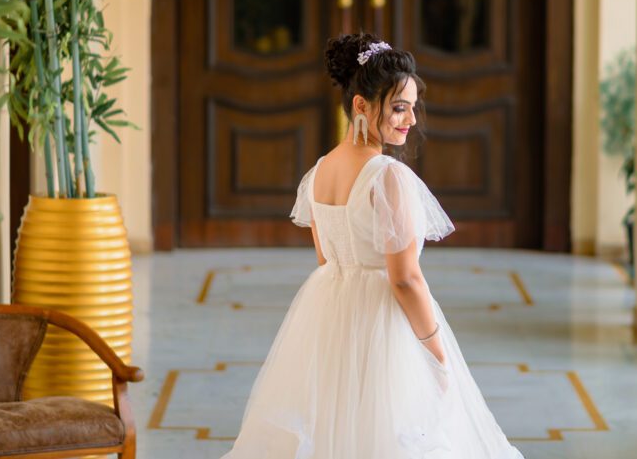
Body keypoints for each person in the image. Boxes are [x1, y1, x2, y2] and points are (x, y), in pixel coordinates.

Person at [221, 32, 525, 459]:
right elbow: (404, 279)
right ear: (361, 106)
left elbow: (327, 259)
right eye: (399, 108)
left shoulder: (320, 171)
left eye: (412, 107)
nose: (411, 120)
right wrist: (436, 351)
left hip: (328, 318)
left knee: (335, 429)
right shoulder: (388, 177)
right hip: (386, 326)